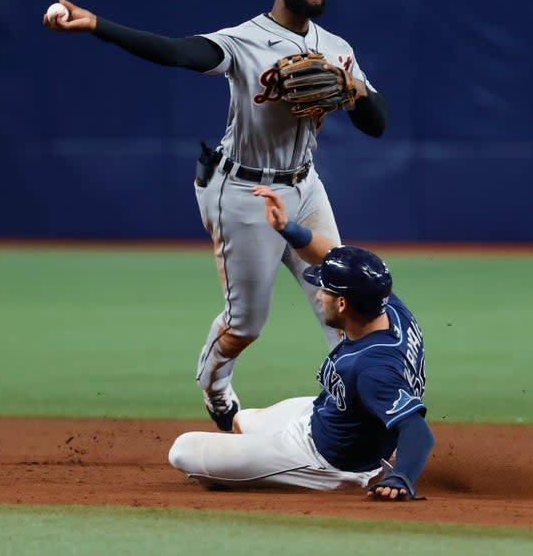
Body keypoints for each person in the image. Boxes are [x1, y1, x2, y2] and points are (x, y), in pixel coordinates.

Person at [43, 0, 388, 431]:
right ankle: (215, 385)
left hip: (306, 188)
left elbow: (376, 123)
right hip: (242, 190)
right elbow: (177, 53)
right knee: (246, 323)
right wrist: (98, 25)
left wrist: (352, 89)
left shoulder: (337, 49)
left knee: (343, 296)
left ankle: (361, 421)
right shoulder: (244, 39)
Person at [166, 185, 432, 501]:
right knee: (242, 420)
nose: (319, 295)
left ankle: (351, 476)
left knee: (182, 450)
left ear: (344, 304)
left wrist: (403, 476)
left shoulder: (374, 367)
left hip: (322, 460)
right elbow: (330, 255)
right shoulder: (386, 306)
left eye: (325, 291)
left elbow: (417, 430)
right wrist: (286, 228)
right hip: (323, 415)